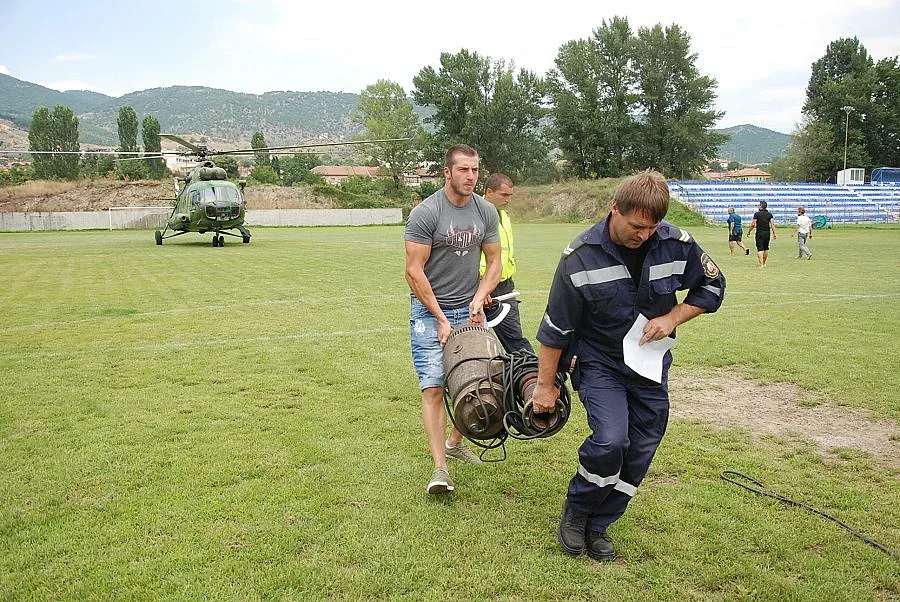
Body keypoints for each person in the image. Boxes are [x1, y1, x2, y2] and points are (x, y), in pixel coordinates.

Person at [530, 170, 726, 561]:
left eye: (652, 228)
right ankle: (577, 511)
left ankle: (600, 524)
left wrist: (673, 317)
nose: (644, 235)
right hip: (599, 363)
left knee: (640, 450)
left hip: (650, 366)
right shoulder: (579, 257)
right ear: (614, 209)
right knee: (611, 440)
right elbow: (555, 330)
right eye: (637, 226)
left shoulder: (675, 243)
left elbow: (713, 287)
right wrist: (544, 386)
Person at [405, 144, 502, 494]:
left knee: (481, 381)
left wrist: (479, 295)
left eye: (475, 170)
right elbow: (413, 272)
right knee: (433, 386)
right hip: (430, 313)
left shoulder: (486, 211)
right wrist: (440, 317)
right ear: (447, 172)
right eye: (463, 170)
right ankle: (440, 469)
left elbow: (494, 262)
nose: (471, 177)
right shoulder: (426, 213)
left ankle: (455, 441)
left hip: (469, 310)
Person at [479, 172, 535, 355]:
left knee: (515, 339)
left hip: (505, 285)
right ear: (489, 192)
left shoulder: (503, 214)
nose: (508, 200)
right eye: (504, 195)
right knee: (472, 340)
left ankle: (533, 378)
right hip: (482, 287)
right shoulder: (474, 214)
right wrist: (481, 286)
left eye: (510, 195)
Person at [746, 200, 777, 268]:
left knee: (760, 249)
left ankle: (761, 264)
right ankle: (764, 263)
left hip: (759, 233)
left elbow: (753, 224)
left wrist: (749, 231)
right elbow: (772, 224)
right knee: (766, 248)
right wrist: (774, 233)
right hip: (767, 233)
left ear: (761, 206)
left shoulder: (757, 214)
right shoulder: (769, 214)